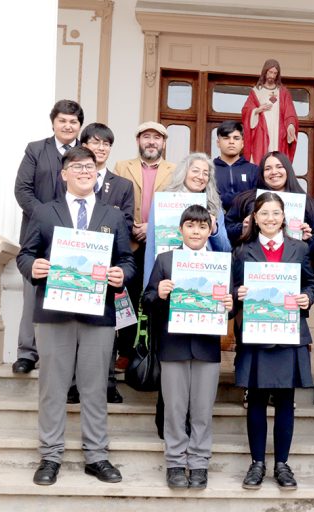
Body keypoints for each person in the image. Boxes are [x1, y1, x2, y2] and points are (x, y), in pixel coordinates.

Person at [16, 146, 135, 486]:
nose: (86, 170)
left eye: (91, 166)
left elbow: (128, 260)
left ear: (98, 174)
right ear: (64, 173)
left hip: (98, 316)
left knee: (95, 387)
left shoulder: (112, 216)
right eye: (78, 166)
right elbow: (26, 255)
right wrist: (33, 268)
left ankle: (96, 456)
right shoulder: (44, 212)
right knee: (53, 387)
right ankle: (50, 455)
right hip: (54, 313)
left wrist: (120, 274)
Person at [142, 205, 234, 490]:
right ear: (180, 229)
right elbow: (146, 300)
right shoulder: (165, 260)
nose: (196, 231)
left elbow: (228, 310)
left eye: (202, 226)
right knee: (175, 408)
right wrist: (158, 293)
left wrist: (231, 307)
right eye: (190, 226)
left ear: (210, 230)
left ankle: (199, 462)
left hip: (206, 348)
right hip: (174, 346)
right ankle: (174, 462)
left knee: (203, 409)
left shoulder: (220, 263)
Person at [232, 192, 314, 490]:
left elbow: (310, 281)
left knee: (285, 400)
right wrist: (236, 295)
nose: (270, 219)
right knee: (255, 399)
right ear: (255, 218)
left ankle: (282, 463)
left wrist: (308, 297)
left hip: (289, 332)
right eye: (264, 213)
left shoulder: (300, 248)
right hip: (256, 333)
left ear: (284, 217)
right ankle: (257, 463)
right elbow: (231, 287)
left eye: (275, 213)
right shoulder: (242, 250)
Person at [12, 99, 84, 374]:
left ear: (79, 125)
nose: (68, 125)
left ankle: (66, 356)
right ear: (53, 122)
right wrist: (46, 217)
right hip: (37, 234)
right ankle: (27, 353)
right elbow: (23, 190)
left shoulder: (84, 153)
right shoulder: (35, 150)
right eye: (63, 120)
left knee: (71, 292)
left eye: (73, 121)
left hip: (74, 236)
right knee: (32, 293)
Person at [69, 122, 135, 405]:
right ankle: (72, 384)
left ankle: (108, 382)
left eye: (106, 144)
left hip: (108, 269)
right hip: (76, 264)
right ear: (83, 146)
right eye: (95, 142)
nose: (100, 148)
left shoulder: (122, 185)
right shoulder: (72, 180)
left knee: (109, 327)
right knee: (73, 326)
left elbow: (127, 222)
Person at [113, 121, 176, 384]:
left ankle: (155, 351)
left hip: (159, 244)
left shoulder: (175, 171)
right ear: (138, 140)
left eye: (157, 138)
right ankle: (127, 351)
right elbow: (116, 204)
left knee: (155, 298)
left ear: (164, 143)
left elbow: (176, 206)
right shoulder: (121, 167)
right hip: (128, 242)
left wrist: (151, 229)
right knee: (125, 297)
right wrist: (133, 228)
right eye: (146, 137)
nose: (152, 142)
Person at [143, 152, 231, 281]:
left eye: (205, 173)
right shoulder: (164, 201)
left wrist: (215, 230)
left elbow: (225, 250)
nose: (200, 177)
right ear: (184, 173)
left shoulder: (213, 206)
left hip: (203, 274)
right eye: (195, 171)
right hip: (167, 274)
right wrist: (149, 286)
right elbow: (151, 247)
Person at [225, 151, 314, 255]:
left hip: (292, 265)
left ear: (288, 170)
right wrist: (242, 228)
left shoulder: (305, 201)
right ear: (261, 173)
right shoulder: (245, 199)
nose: (274, 172)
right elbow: (226, 229)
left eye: (279, 167)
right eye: (268, 168)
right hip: (253, 263)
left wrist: (307, 241)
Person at [241, 59, 299, 164]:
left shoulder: (283, 92)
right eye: (270, 72)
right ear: (265, 72)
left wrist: (291, 125)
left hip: (278, 131)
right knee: (261, 157)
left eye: (275, 73)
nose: (272, 76)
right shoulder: (256, 91)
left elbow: (290, 113)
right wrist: (258, 110)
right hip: (261, 131)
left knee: (277, 157)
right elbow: (246, 111)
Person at [213, 120, 259, 211]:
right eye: (226, 138)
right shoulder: (209, 169)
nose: (231, 142)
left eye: (236, 138)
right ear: (218, 143)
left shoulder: (254, 170)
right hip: (215, 221)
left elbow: (257, 198)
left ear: (242, 143)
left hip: (246, 221)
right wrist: (241, 197)